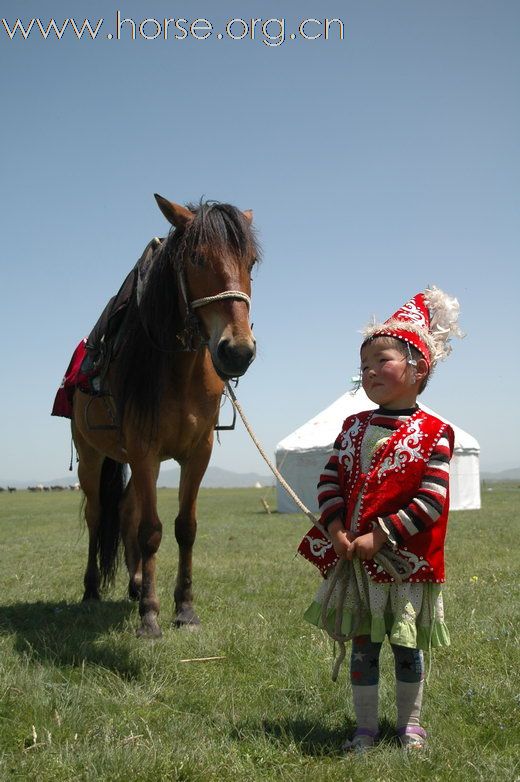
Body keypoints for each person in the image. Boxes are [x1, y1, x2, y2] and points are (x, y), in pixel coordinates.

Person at [297, 286, 463, 752]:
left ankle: (410, 724)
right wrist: (335, 528)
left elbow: (432, 499)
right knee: (363, 647)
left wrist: (380, 534)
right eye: (364, 365)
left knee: (409, 649)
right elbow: (330, 482)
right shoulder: (352, 428)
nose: (370, 371)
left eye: (382, 361)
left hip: (405, 567)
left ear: (419, 368)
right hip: (356, 565)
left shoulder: (435, 433)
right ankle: (365, 727)